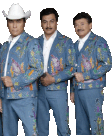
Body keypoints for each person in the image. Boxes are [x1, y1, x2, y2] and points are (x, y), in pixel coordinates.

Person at [0, 3, 43, 136]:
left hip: (25, 98)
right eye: (11, 21)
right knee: (8, 133)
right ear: (7, 23)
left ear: (24, 22)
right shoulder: (4, 46)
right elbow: (0, 72)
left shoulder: (31, 43)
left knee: (31, 132)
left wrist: (14, 81)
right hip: (6, 98)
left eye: (18, 21)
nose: (14, 25)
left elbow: (38, 69)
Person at [70, 12, 112, 135]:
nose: (79, 27)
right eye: (76, 25)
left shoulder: (98, 41)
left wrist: (86, 75)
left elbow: (107, 64)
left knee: (96, 124)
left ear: (90, 25)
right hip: (78, 91)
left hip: (93, 90)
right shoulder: (74, 45)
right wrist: (72, 90)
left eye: (82, 24)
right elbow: (74, 70)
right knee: (81, 126)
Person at [37, 8, 76, 136]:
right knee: (40, 128)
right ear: (41, 23)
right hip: (39, 91)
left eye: (51, 21)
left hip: (58, 90)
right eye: (45, 22)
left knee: (63, 128)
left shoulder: (66, 42)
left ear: (57, 22)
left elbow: (72, 67)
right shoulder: (35, 42)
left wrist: (53, 79)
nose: (48, 25)